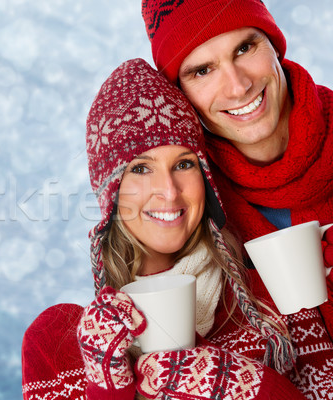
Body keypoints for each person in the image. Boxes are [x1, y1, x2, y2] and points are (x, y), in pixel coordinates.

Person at [21, 58, 333, 399]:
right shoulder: (56, 344)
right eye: (140, 169)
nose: (169, 191)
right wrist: (106, 389)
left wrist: (251, 387)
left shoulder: (272, 301)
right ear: (110, 190)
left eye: (184, 164)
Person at [140, 0, 333, 333]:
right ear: (180, 94)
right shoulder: (187, 201)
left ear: (275, 45)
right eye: (202, 70)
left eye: (245, 48)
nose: (238, 86)